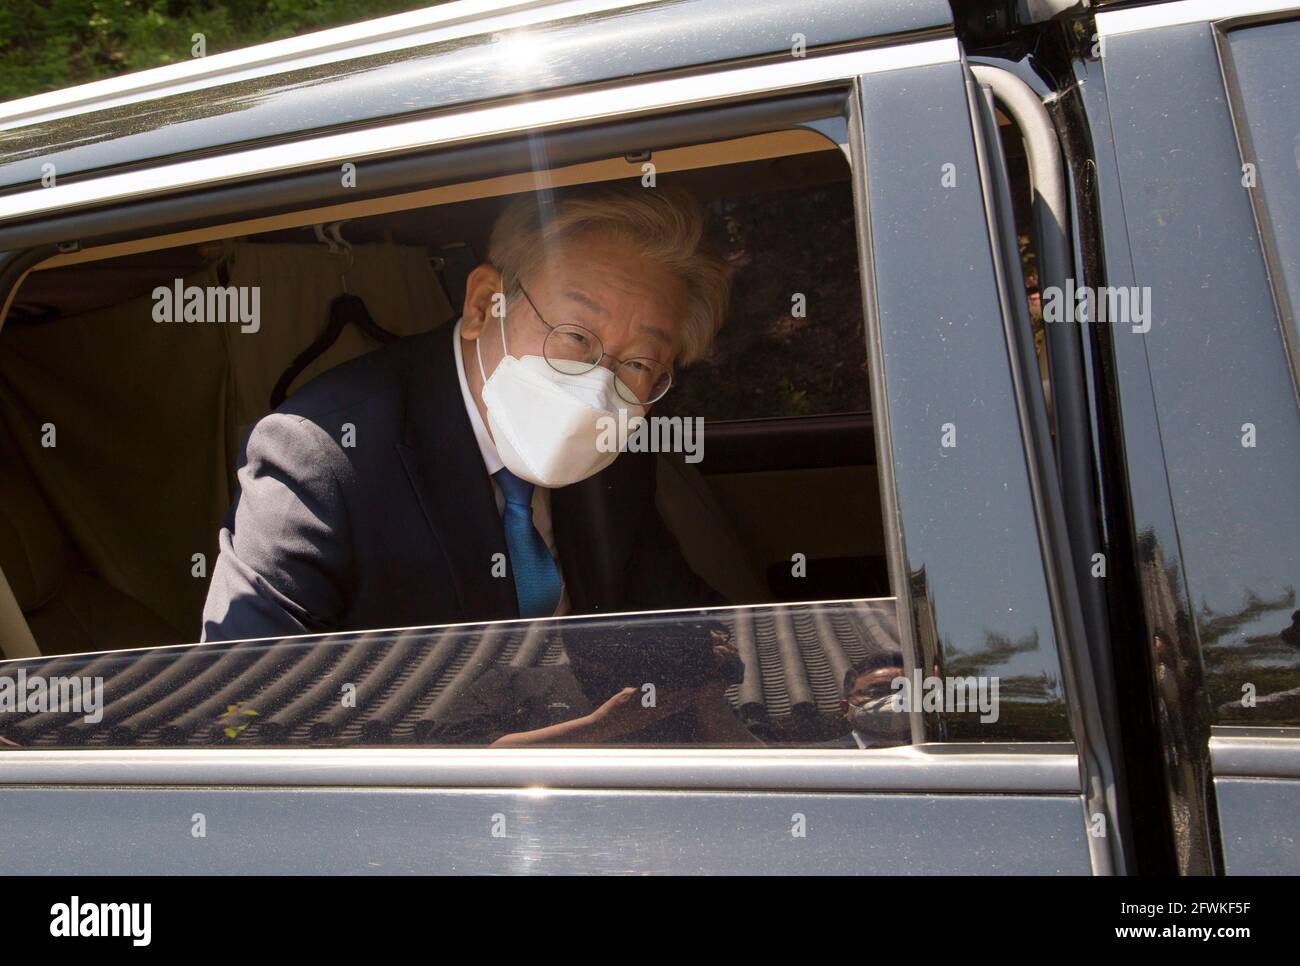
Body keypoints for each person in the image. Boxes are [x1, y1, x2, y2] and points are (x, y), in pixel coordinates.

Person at [200, 182, 732, 642]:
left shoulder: (616, 435)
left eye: (639, 362)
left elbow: (672, 615)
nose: (598, 389)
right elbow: (245, 704)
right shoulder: (317, 454)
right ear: (484, 304)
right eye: (573, 335)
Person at [833, 651, 911, 749]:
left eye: (904, 692)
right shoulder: (825, 758)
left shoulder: (932, 752)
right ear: (845, 708)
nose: (895, 700)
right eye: (877, 693)